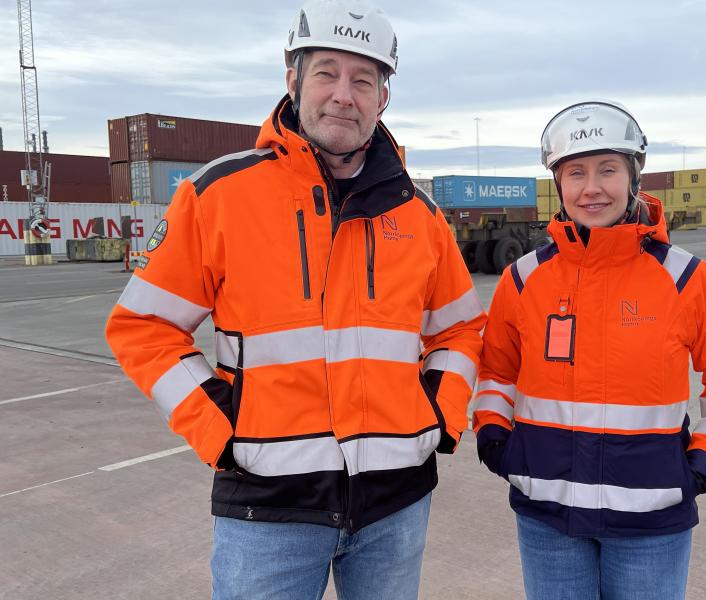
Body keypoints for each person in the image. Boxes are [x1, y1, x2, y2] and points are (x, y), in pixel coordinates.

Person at [105, 1, 484, 598]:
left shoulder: (421, 216)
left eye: (364, 79)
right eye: (326, 72)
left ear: (383, 97)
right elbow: (143, 327)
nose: (344, 94)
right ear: (293, 81)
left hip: (397, 503)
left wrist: (437, 412)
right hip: (268, 507)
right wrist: (220, 427)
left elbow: (461, 331)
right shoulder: (219, 195)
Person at [472, 101, 706, 600]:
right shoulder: (523, 279)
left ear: (633, 178)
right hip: (547, 512)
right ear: (558, 184)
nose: (592, 187)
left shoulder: (687, 278)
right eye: (575, 172)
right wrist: (496, 435)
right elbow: (497, 370)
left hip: (651, 516)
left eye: (608, 169)